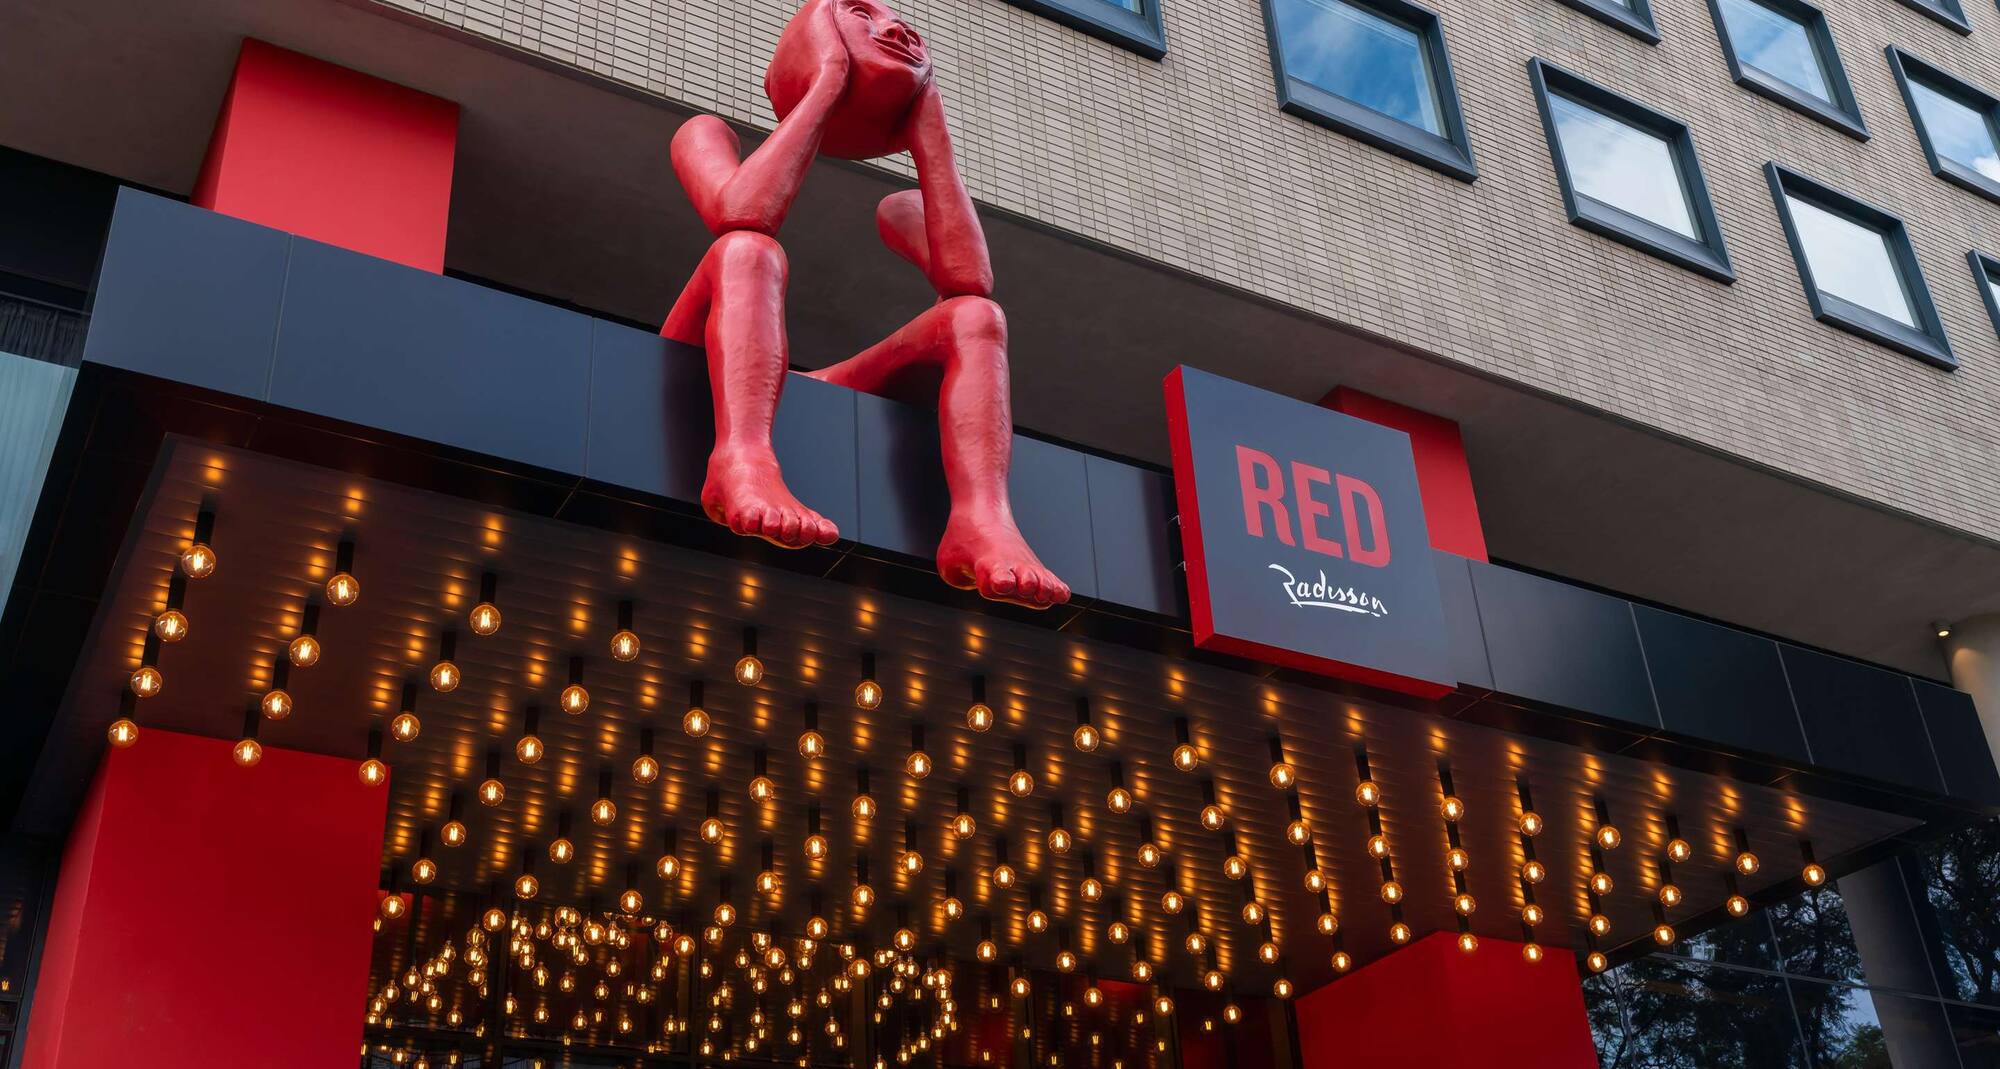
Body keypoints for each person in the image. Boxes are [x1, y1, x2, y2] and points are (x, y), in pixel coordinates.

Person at [662, 0, 1070, 610]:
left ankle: (981, 520)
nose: (896, 29)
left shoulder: (917, 110)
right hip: (691, 360)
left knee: (976, 318)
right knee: (748, 251)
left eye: (899, 21)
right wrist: (826, 82)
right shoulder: (703, 137)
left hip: (802, 383)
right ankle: (740, 456)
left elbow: (969, 281)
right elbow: (741, 212)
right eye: (860, 13)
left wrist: (929, 125)